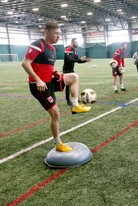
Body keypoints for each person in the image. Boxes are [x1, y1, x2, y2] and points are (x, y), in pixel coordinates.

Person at [22, 21, 91, 152]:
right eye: (56, 33)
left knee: (74, 77)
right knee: (56, 115)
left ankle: (75, 106)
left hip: (50, 81)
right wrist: (38, 80)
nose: (58, 36)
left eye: (60, 33)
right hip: (40, 87)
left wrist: (55, 73)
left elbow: (46, 66)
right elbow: (25, 63)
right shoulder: (38, 45)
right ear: (46, 32)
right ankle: (58, 144)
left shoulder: (53, 48)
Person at [62, 38, 91, 106]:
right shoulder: (67, 50)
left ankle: (74, 98)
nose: (77, 44)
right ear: (73, 42)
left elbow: (77, 61)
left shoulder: (75, 51)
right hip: (66, 70)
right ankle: (68, 100)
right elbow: (69, 60)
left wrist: (85, 60)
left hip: (71, 70)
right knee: (68, 86)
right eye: (76, 42)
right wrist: (79, 59)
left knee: (74, 85)